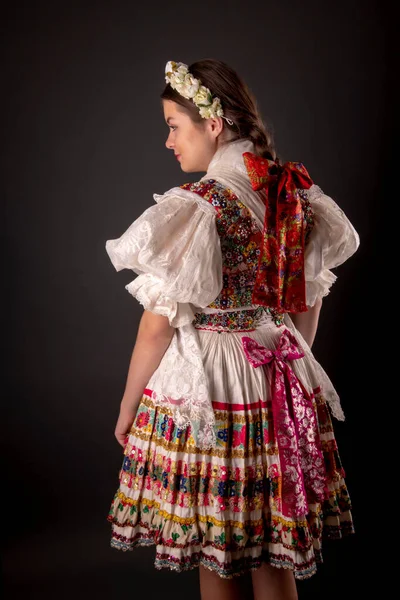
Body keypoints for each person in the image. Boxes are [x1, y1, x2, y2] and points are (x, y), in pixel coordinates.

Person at [105, 59, 360, 600]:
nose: (169, 140)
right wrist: (284, 363)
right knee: (274, 547)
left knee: (219, 553)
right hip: (280, 370)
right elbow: (307, 298)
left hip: (215, 383)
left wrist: (128, 408)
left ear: (213, 123)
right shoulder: (292, 192)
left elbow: (157, 325)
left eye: (175, 124)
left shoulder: (201, 206)